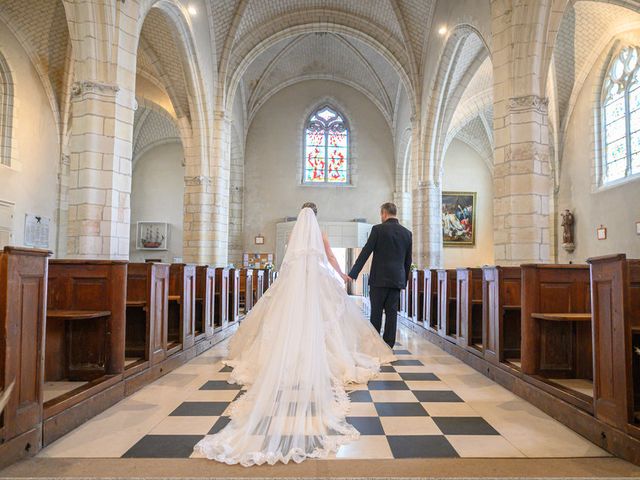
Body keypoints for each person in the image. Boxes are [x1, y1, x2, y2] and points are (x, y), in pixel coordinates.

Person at [193, 203, 395, 466]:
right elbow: (330, 258)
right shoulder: (320, 234)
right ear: (315, 216)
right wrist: (341, 275)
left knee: (284, 320)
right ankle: (320, 356)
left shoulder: (292, 235)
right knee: (325, 322)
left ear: (300, 216)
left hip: (293, 285)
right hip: (316, 283)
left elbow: (286, 261)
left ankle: (286, 357)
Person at [348, 202, 412, 348]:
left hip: (379, 279)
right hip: (397, 280)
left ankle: (376, 344)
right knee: (392, 314)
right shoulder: (407, 233)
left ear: (384, 213)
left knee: (376, 312)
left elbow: (365, 252)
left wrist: (353, 274)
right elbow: (408, 261)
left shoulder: (377, 230)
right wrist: (404, 281)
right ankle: (389, 345)